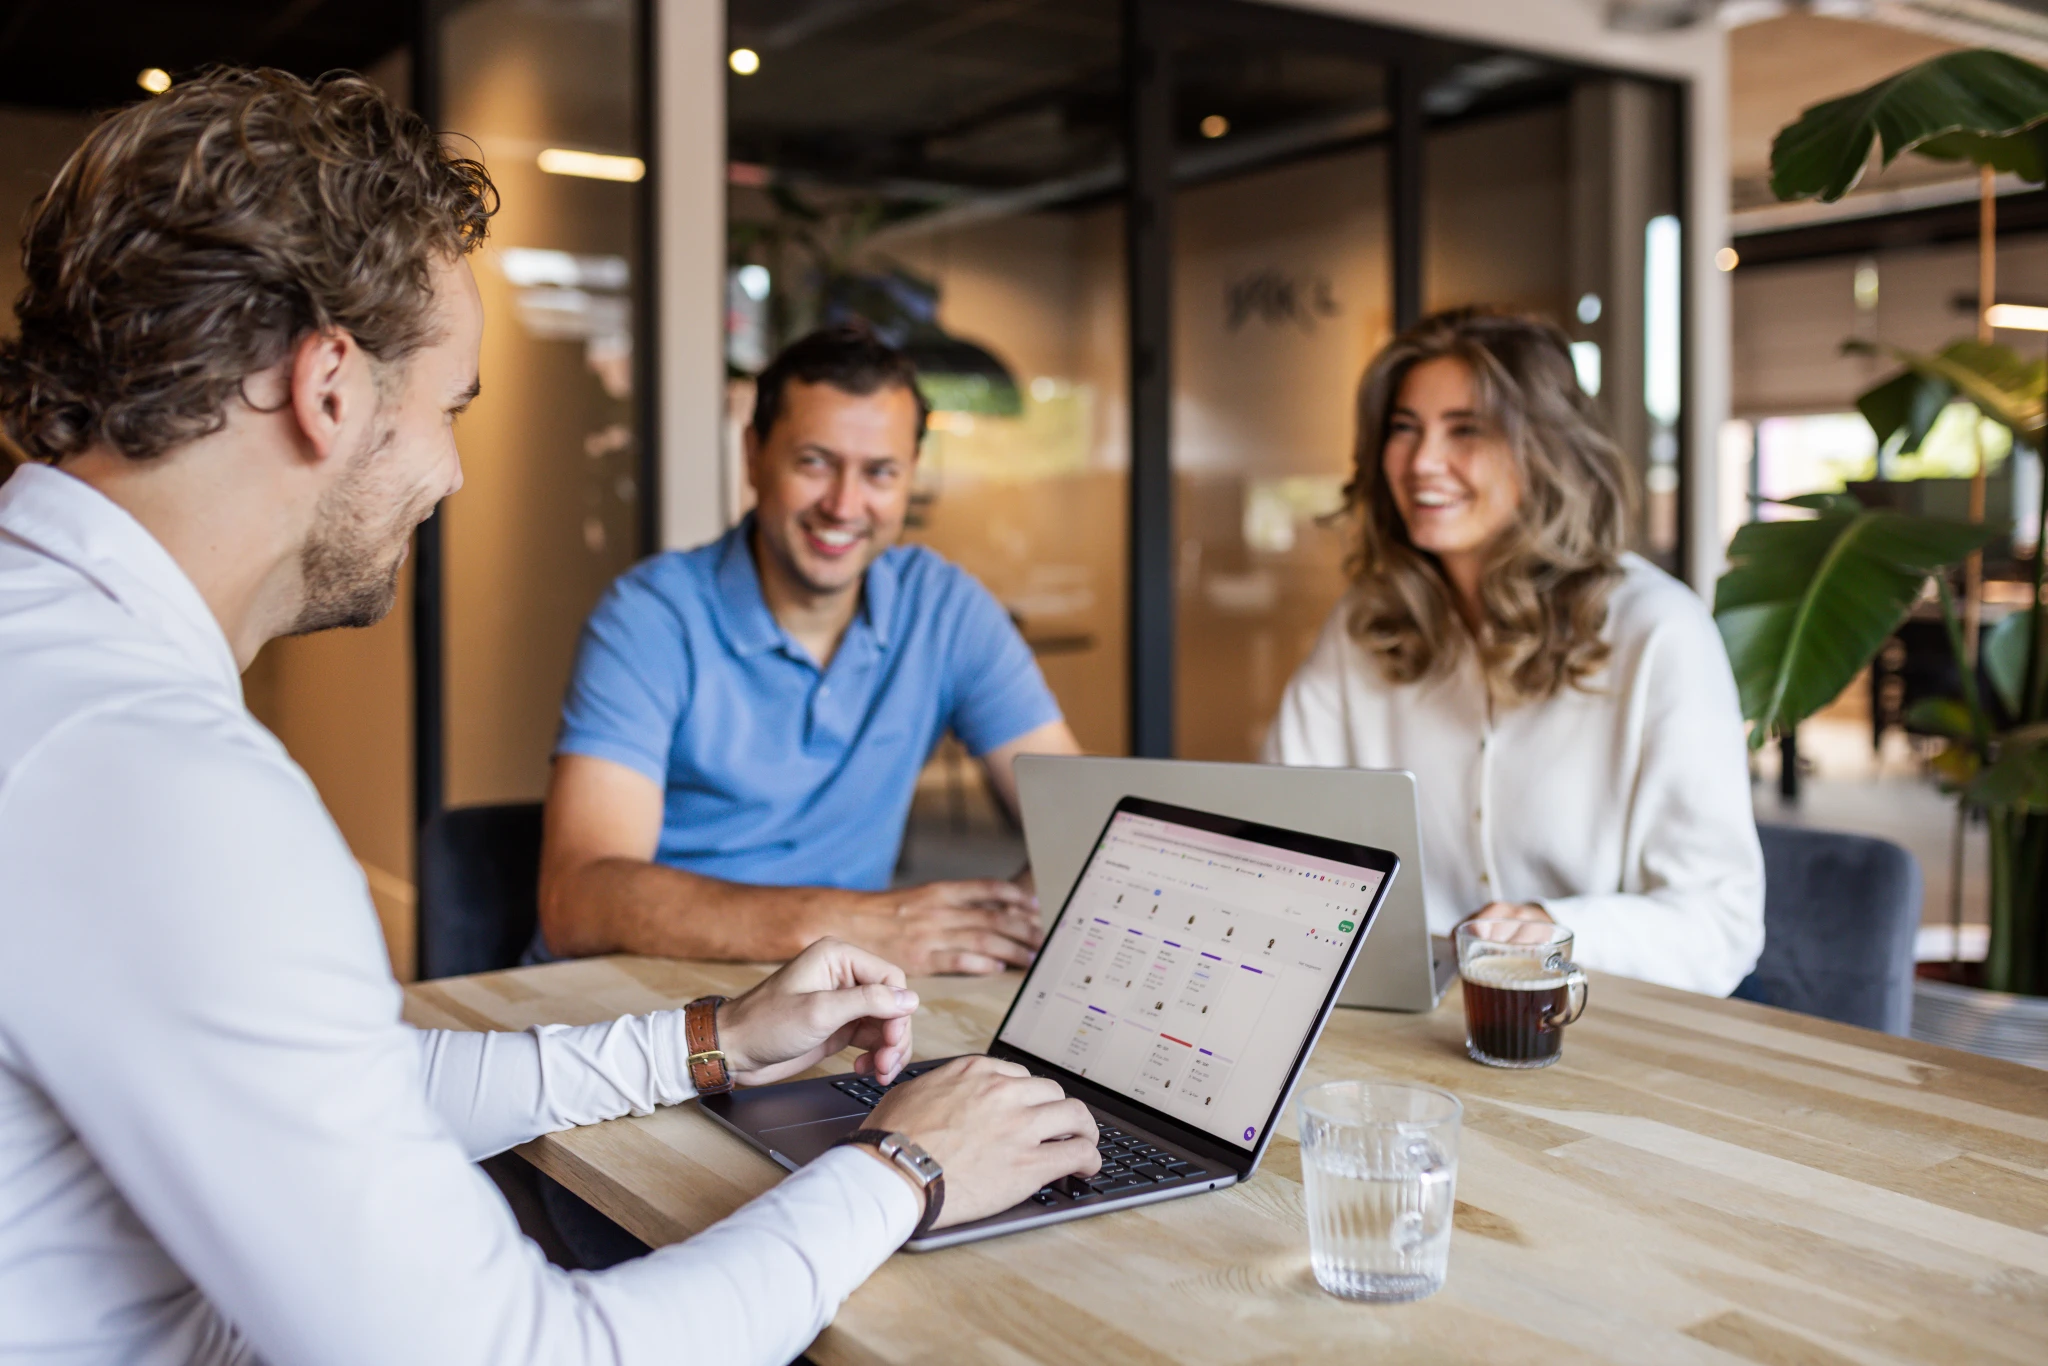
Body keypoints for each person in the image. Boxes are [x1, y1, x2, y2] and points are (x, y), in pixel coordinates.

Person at [0, 68, 1097, 1364]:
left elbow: (359, 1087)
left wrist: (714, 1039)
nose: (455, 470)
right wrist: (909, 1162)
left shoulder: (63, 686)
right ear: (331, 386)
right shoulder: (170, 786)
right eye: (452, 407)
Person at [536, 325, 1082, 976]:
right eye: (814, 462)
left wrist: (1005, 922)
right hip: (643, 1003)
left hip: (833, 1001)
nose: (845, 505)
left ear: (909, 478)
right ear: (754, 456)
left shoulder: (944, 608)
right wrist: (848, 925)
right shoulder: (651, 618)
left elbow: (1080, 822)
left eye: (880, 473)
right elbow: (578, 901)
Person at [1262, 307, 1763, 995]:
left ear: (1546, 451)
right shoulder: (1365, 625)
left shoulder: (1658, 632)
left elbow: (1720, 924)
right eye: (1404, 429)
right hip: (1405, 1036)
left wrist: (1550, 929)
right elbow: (1280, 836)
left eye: (1466, 430)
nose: (1422, 462)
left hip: (1600, 1030)